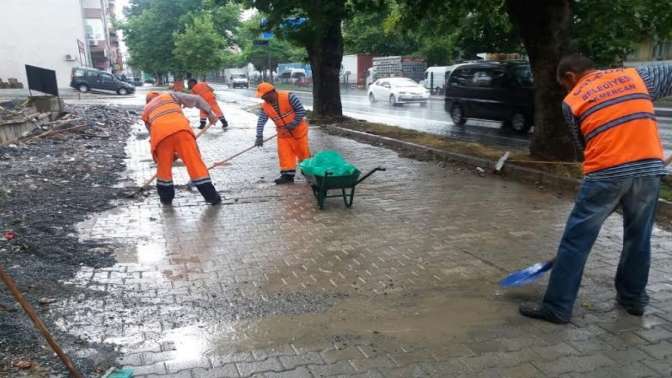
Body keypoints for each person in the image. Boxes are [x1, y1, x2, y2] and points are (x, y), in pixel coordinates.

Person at [519, 54, 671, 324]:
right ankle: (633, 299)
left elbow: (583, 146)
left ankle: (557, 307)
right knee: (639, 237)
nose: (568, 91)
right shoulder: (636, 76)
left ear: (571, 77)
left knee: (576, 240)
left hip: (607, 173)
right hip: (649, 170)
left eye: (566, 86)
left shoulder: (573, 100)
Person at [142, 91, 222, 206]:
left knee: (163, 169)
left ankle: (166, 199)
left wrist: (168, 155)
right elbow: (197, 99)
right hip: (182, 131)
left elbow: (152, 134)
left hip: (161, 137)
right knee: (195, 165)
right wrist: (210, 113)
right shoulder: (170, 95)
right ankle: (212, 197)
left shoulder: (146, 110)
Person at [254, 82, 311, 184]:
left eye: (264, 96)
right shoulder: (265, 106)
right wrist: (259, 136)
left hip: (299, 132)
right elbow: (261, 121)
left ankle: (309, 174)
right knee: (285, 155)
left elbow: (301, 111)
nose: (263, 99)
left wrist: (293, 123)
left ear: (271, 92)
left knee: (303, 154)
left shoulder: (289, 97)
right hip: (283, 135)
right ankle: (287, 176)